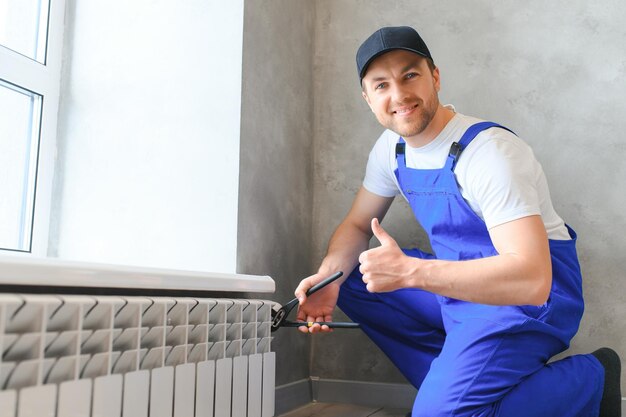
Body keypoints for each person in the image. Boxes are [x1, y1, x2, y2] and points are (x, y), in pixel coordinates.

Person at [294, 26, 622, 417]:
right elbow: (357, 226)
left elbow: (532, 279)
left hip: (526, 297)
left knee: (439, 415)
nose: (398, 95)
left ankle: (592, 377)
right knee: (350, 279)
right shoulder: (391, 149)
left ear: (435, 76)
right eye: (381, 85)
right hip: (460, 285)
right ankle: (456, 381)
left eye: (410, 75)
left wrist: (413, 272)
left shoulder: (489, 154)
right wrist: (329, 278)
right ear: (367, 98)